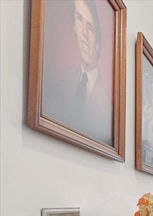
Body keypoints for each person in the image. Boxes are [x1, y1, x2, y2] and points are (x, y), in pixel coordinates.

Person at [42, 0, 112, 145]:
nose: (84, 33)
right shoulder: (63, 80)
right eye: (79, 19)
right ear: (74, 26)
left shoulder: (106, 102)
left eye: (91, 28)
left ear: (98, 44)